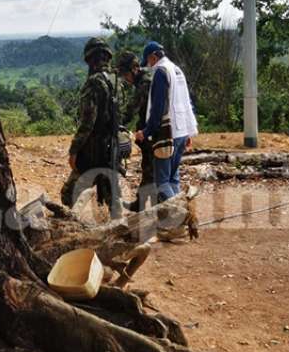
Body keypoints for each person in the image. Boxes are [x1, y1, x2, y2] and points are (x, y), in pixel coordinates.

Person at [61, 37, 123, 219]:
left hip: (92, 151)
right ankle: (118, 231)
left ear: (90, 59)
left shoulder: (94, 83)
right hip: (113, 147)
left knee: (68, 194)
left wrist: (74, 150)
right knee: (113, 199)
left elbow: (87, 122)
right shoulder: (117, 81)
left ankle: (78, 229)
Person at [134, 42, 198, 202]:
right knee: (173, 179)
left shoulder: (161, 72)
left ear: (153, 57)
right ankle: (177, 219)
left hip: (168, 134)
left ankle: (181, 213)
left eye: (148, 62)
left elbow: (158, 108)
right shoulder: (176, 70)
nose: (149, 66)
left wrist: (146, 131)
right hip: (181, 131)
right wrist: (190, 131)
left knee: (162, 181)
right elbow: (186, 102)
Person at [117, 51, 155, 212]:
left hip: (154, 131)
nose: (126, 79)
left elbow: (132, 108)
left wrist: (117, 123)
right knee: (148, 168)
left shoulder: (145, 82)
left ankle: (159, 209)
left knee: (152, 170)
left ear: (134, 69)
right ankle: (140, 204)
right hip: (149, 129)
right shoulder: (145, 76)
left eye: (126, 74)